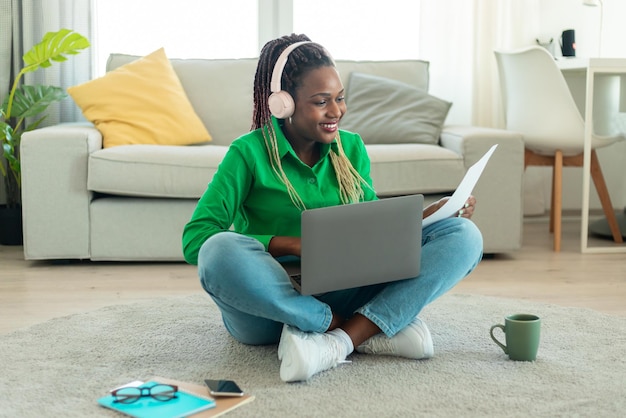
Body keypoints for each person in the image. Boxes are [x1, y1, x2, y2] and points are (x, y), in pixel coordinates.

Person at [182, 33, 483, 383]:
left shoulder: (351, 148)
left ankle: (341, 341)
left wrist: (433, 215)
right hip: (270, 303)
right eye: (322, 101)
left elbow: (374, 228)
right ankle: (359, 327)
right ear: (284, 103)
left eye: (340, 99)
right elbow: (196, 239)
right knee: (219, 249)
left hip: (345, 288)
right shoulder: (247, 153)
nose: (336, 111)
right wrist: (289, 244)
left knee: (464, 235)